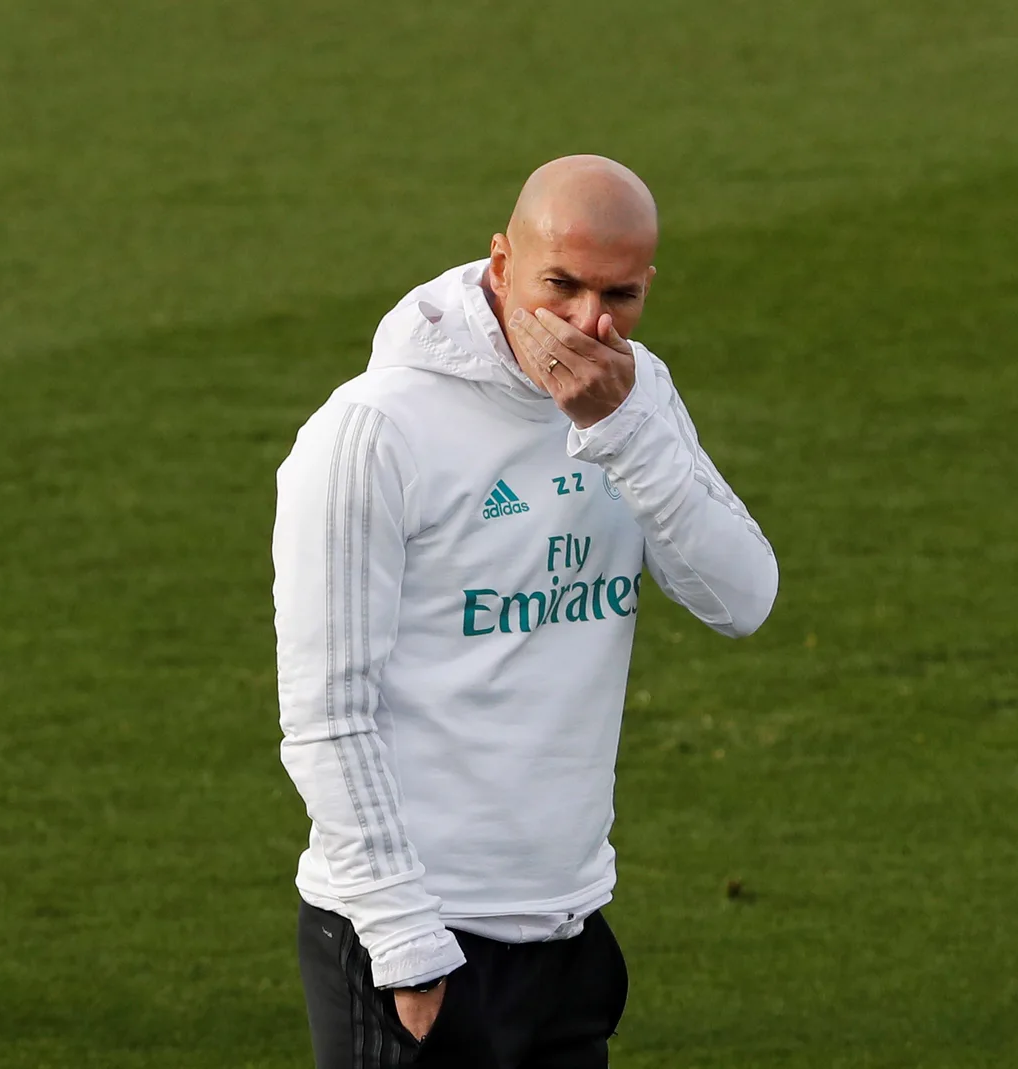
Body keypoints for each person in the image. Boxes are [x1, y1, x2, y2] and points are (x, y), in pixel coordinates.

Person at [273, 155, 779, 1068]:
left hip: (568, 931)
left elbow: (742, 598)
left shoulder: (637, 393)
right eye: (562, 285)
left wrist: (621, 433)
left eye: (619, 294)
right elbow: (327, 712)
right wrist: (410, 948)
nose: (590, 321)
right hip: (412, 942)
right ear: (501, 264)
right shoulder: (374, 432)